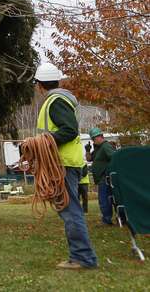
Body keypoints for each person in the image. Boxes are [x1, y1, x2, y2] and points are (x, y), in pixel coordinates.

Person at [34, 62, 97, 270]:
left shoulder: (56, 101)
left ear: (39, 85)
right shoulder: (59, 100)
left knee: (71, 211)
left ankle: (83, 258)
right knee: (69, 210)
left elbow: (69, 130)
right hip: (65, 163)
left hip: (64, 164)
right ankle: (80, 256)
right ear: (58, 80)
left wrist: (42, 141)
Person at [85, 127, 115, 225]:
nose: (93, 140)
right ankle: (108, 219)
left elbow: (114, 158)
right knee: (107, 199)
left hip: (105, 178)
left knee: (104, 200)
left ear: (100, 136)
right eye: (92, 138)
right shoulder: (98, 148)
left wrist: (108, 170)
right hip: (102, 179)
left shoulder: (105, 146)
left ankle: (107, 220)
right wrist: (88, 150)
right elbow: (89, 159)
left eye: (95, 138)